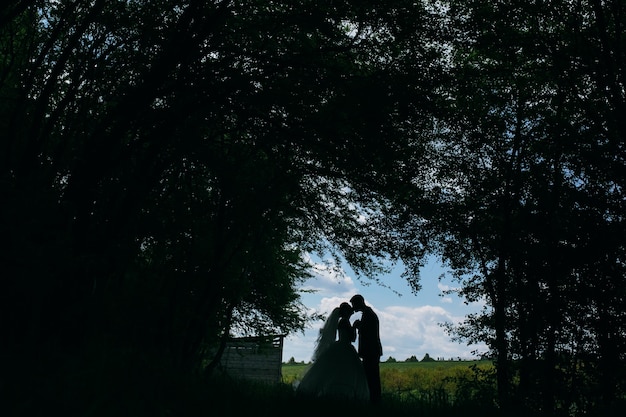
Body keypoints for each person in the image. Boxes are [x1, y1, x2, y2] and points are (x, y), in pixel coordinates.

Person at [296, 302, 369, 401]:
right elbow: (352, 338)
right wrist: (355, 328)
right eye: (350, 311)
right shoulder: (345, 322)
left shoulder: (342, 322)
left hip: (341, 346)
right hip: (345, 347)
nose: (351, 313)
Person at [350, 294, 383, 404]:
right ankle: (373, 399)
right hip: (370, 351)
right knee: (371, 376)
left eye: (354, 305)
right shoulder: (368, 314)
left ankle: (374, 400)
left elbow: (369, 333)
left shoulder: (368, 314)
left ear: (359, 303)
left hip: (371, 351)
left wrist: (359, 326)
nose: (353, 308)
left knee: (372, 377)